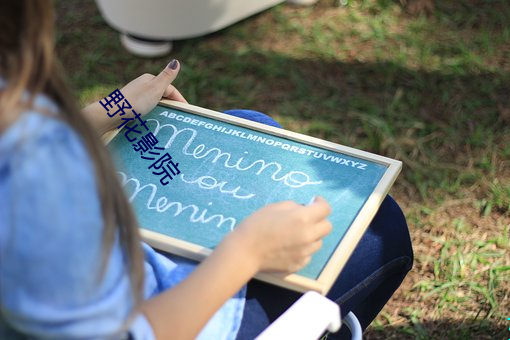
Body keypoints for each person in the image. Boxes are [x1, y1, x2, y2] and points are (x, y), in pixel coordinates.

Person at [0, 2, 413, 339]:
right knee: (381, 226)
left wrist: (109, 111)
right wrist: (246, 252)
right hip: (171, 310)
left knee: (247, 124)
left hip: (113, 249)